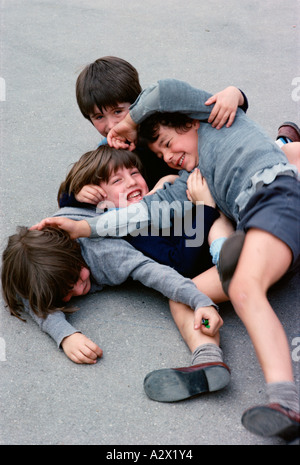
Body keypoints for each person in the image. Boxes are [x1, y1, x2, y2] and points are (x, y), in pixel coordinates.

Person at [66, 79, 299, 442]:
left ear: (190, 122)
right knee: (183, 294)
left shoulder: (214, 118)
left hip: (274, 197)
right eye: (158, 155)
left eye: (168, 145)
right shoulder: (186, 179)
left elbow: (165, 91)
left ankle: (285, 401)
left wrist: (234, 92)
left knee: (244, 284)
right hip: (257, 227)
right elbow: (138, 212)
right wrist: (82, 226)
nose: (166, 157)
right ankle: (207, 356)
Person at [59, 56, 249, 207]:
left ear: (138, 103)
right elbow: (69, 189)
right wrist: (76, 194)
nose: (111, 125)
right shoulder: (109, 150)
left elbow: (215, 111)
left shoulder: (165, 121)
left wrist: (235, 94)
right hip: (162, 213)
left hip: (204, 191)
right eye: (99, 117)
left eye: (118, 111)